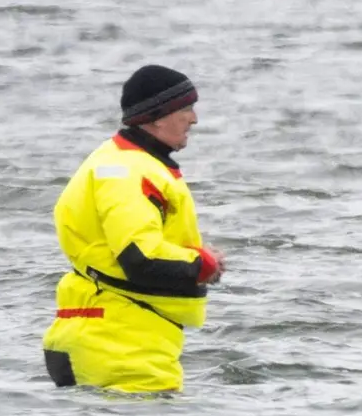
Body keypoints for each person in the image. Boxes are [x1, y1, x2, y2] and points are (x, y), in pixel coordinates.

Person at [42, 64, 225, 393]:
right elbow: (141, 259)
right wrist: (202, 264)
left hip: (110, 332)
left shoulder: (117, 158)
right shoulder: (129, 172)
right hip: (120, 344)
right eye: (186, 109)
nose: (194, 119)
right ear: (156, 117)